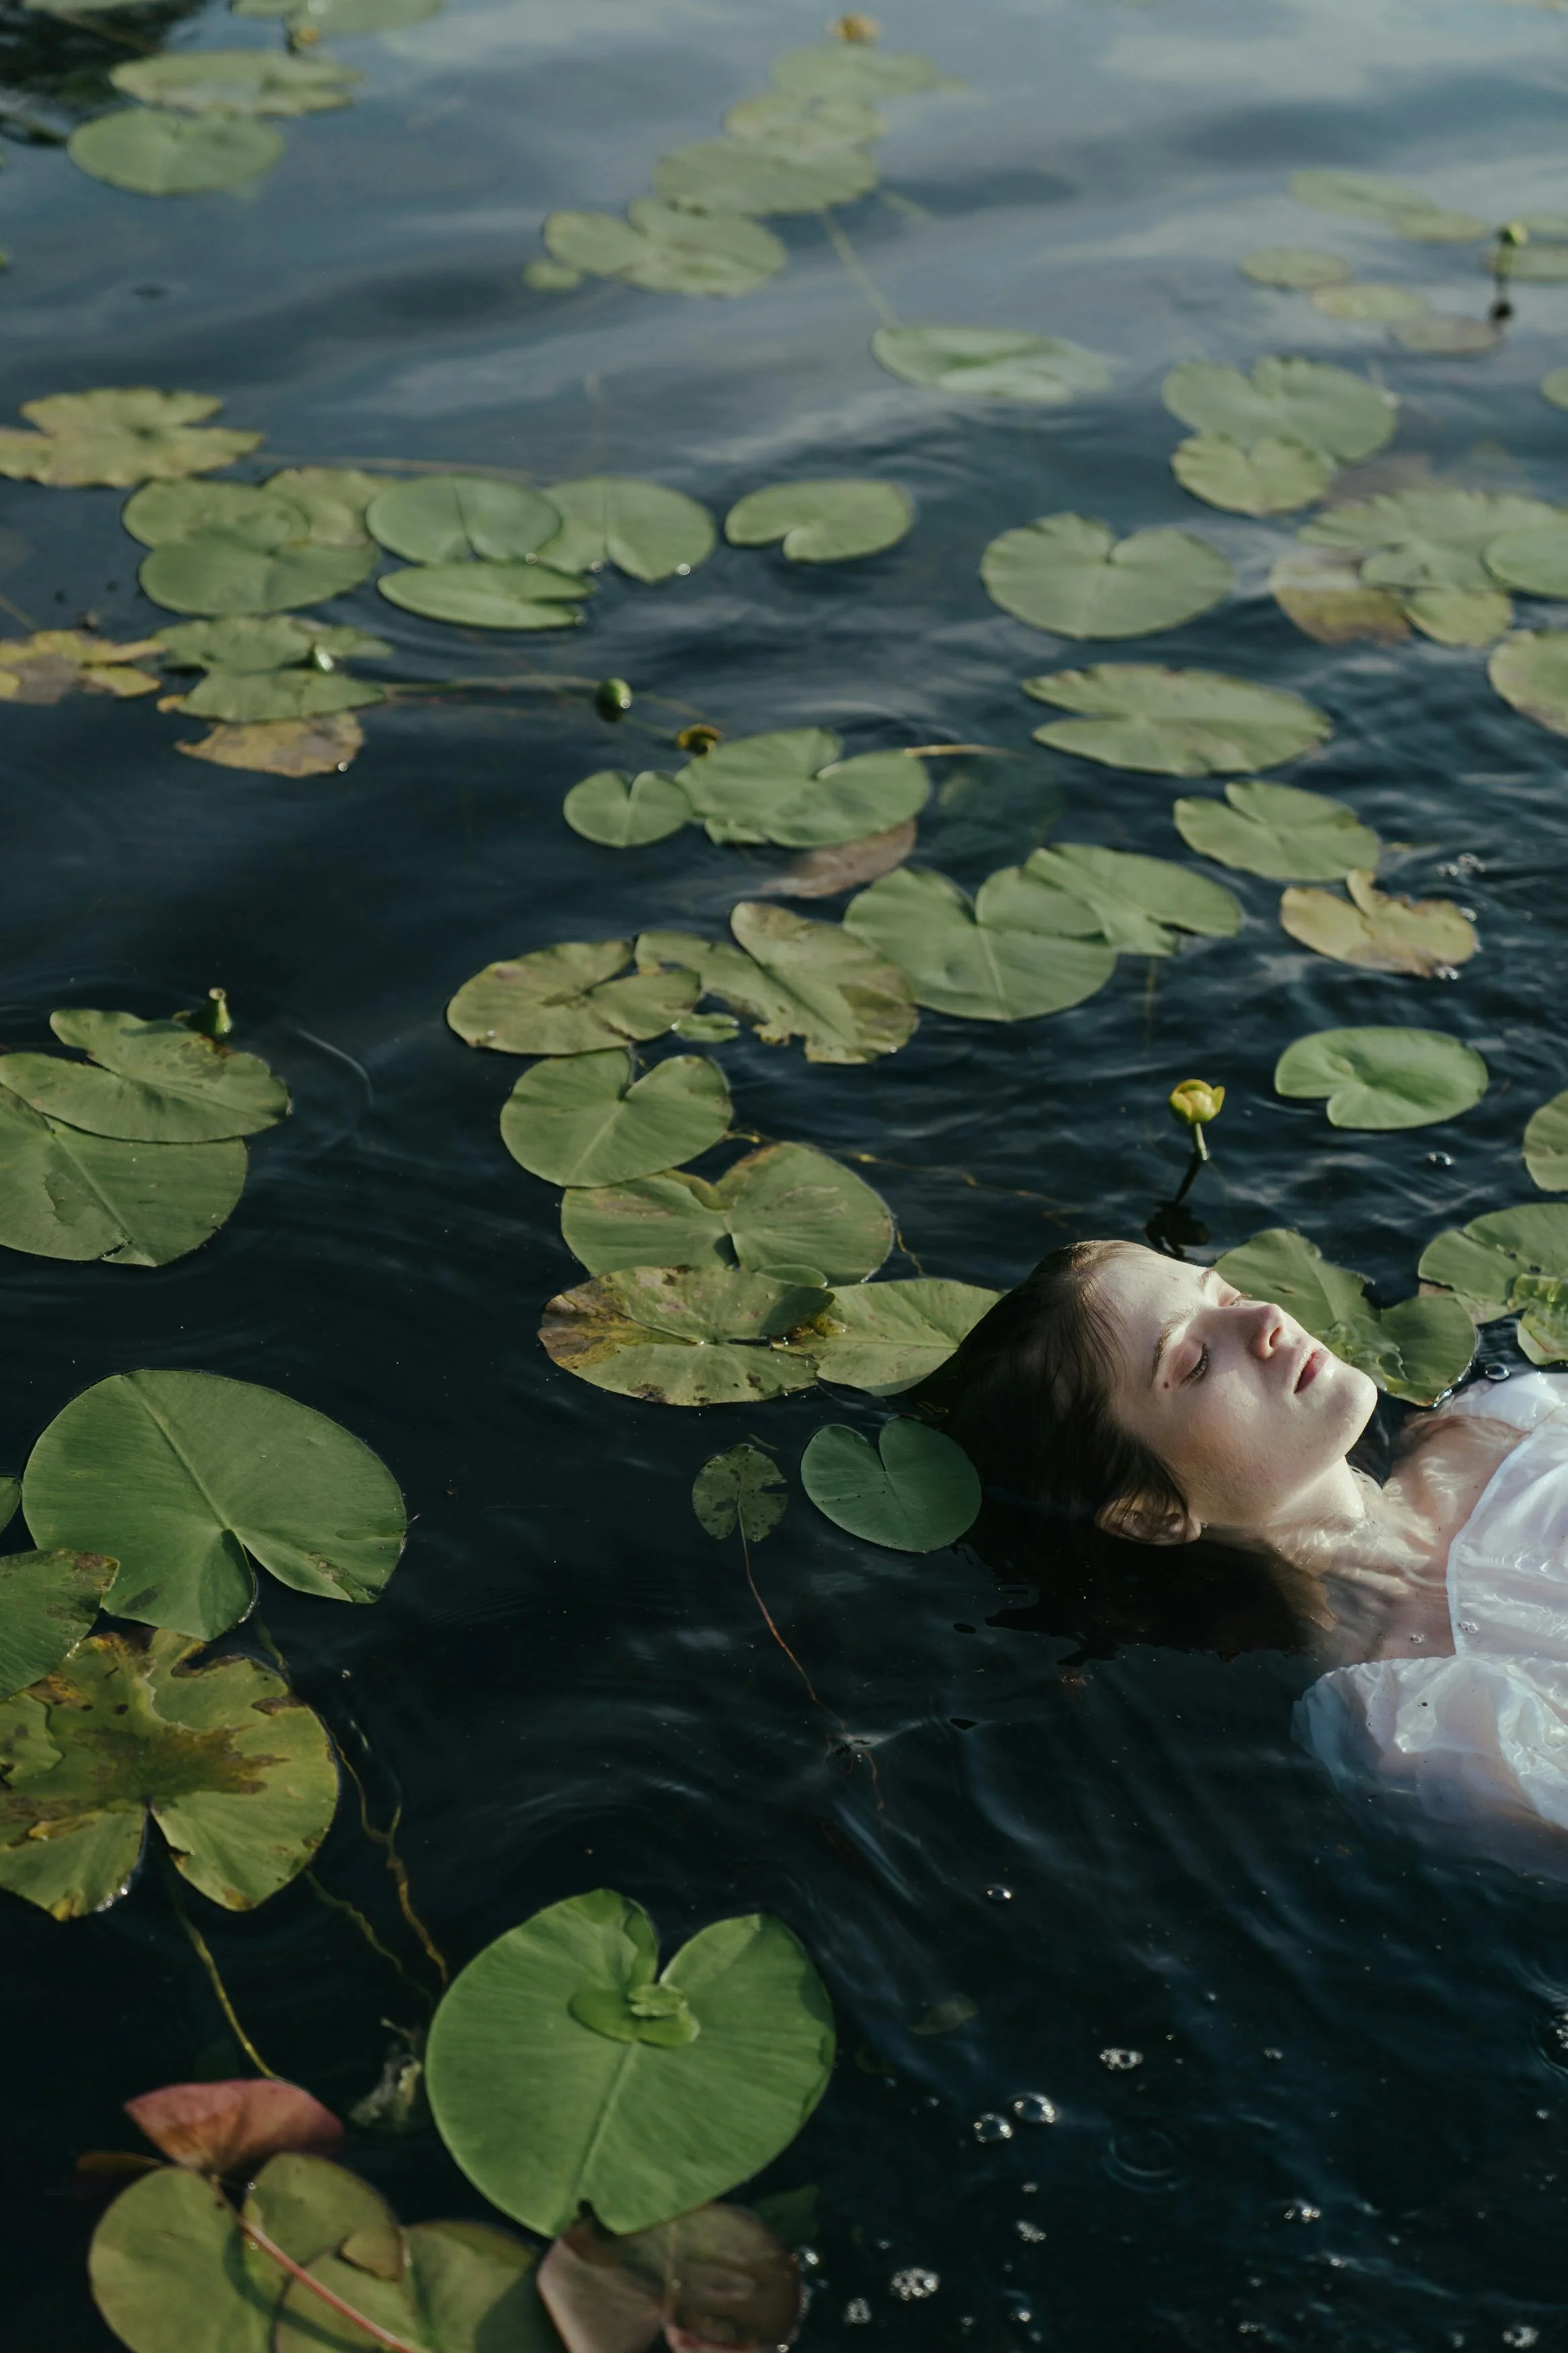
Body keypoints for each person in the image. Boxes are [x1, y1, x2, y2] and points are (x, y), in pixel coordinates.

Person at [939, 1238, 1568, 1858]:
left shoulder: (1511, 1419)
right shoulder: (1408, 1723)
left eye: (1227, 1295)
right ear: (1152, 1517)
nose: (1266, 1318)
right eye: (1195, 1363)